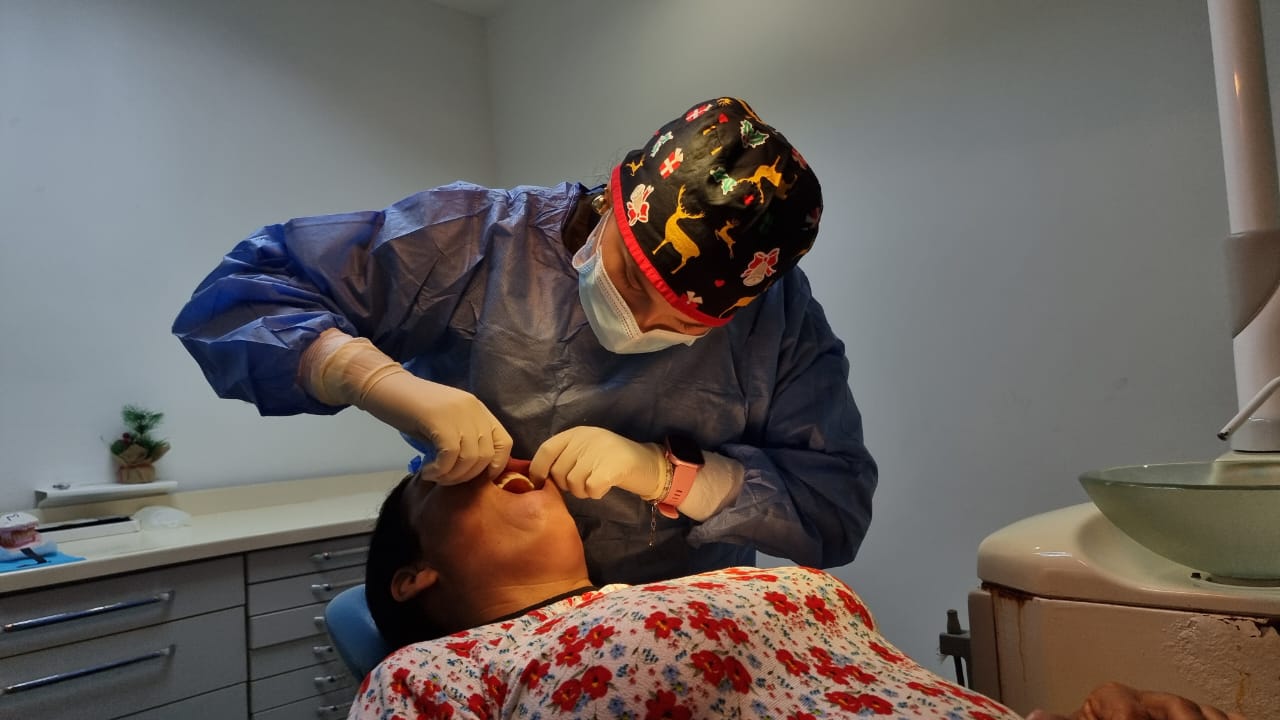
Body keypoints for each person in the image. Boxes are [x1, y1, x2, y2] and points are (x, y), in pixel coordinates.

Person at [173, 96, 877, 584]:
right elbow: (239, 300)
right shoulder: (477, 241)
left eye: (684, 323)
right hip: (487, 611)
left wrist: (672, 475)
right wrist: (380, 382)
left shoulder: (778, 319)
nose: (642, 323)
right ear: (615, 203)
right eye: (633, 281)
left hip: (678, 624)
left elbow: (833, 506)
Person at [351, 469, 1246, 720]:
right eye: (448, 475)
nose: (500, 457)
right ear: (413, 574)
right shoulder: (433, 670)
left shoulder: (714, 579)